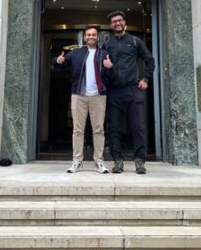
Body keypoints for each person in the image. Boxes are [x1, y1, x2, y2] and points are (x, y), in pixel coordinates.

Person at [103, 11, 155, 174]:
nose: (117, 23)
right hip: (114, 91)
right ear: (111, 25)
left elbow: (150, 60)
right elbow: (101, 67)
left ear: (124, 22)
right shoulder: (107, 45)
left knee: (137, 127)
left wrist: (145, 79)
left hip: (133, 89)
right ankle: (118, 161)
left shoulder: (135, 41)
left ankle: (140, 161)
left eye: (119, 20)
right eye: (114, 21)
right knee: (114, 128)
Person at [54, 26, 111, 173]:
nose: (91, 37)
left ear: (97, 37)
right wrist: (58, 60)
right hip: (79, 95)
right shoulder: (76, 53)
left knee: (98, 130)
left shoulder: (104, 54)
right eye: (88, 35)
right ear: (84, 37)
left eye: (93, 35)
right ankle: (77, 161)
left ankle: (99, 161)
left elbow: (112, 76)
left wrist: (110, 67)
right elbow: (62, 63)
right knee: (77, 130)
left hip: (98, 96)